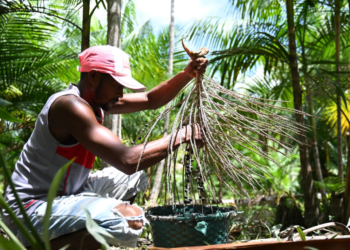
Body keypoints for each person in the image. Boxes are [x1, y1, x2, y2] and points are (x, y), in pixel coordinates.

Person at [3, 45, 208, 249]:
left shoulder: (95, 102)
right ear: (93, 76)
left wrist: (187, 74)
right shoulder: (70, 106)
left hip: (69, 194)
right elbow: (127, 160)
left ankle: (86, 237)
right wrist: (183, 134)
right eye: (118, 84)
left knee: (135, 178)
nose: (121, 93)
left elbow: (149, 99)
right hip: (27, 211)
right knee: (129, 220)